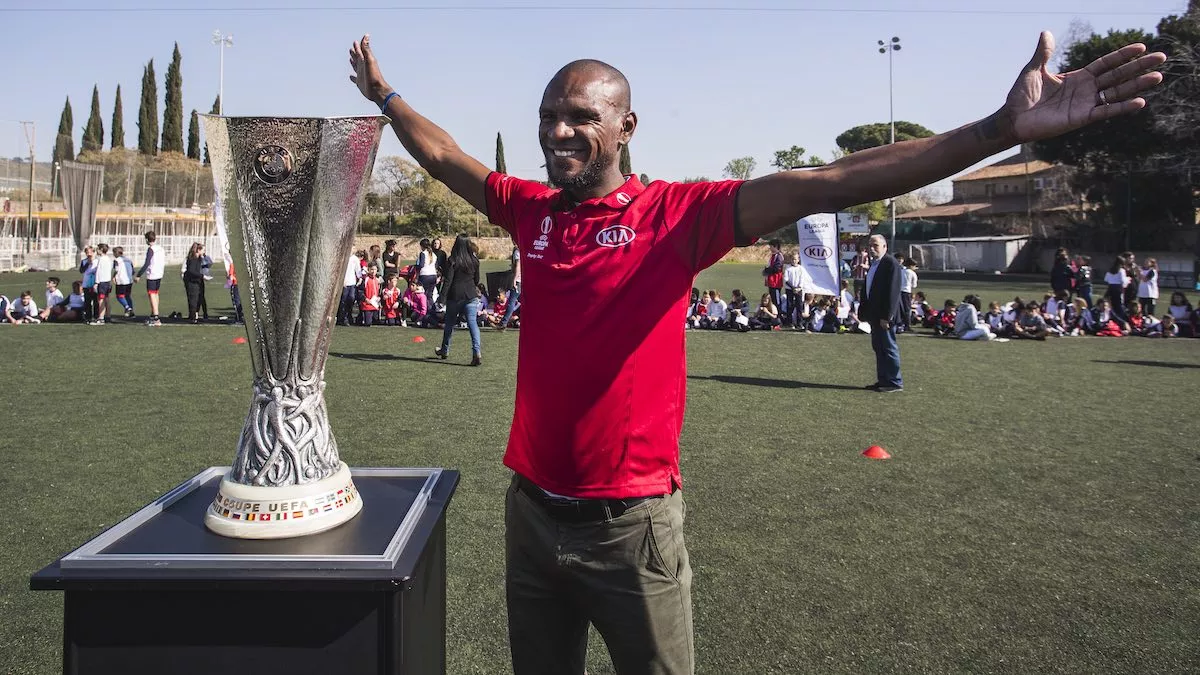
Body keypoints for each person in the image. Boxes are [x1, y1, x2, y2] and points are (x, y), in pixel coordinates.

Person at [349, 29, 1164, 673]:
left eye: (579, 117)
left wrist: (999, 128)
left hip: (630, 527)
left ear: (625, 128)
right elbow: (444, 155)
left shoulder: (679, 216)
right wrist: (385, 94)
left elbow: (832, 180)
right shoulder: (532, 211)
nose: (557, 131)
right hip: (530, 514)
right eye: (548, 115)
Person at [860, 235, 904, 391]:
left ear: (885, 247)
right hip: (874, 314)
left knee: (889, 347)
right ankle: (883, 379)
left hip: (884, 316)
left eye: (876, 245)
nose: (872, 248)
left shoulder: (890, 264)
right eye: (870, 245)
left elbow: (893, 292)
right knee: (879, 347)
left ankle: (894, 381)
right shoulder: (874, 265)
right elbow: (868, 289)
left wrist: (887, 316)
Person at [434, 234, 482, 365]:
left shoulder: (452, 260)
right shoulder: (474, 260)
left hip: (455, 296)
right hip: (470, 295)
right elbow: (477, 280)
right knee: (473, 324)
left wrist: (442, 298)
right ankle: (476, 352)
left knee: (449, 324)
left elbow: (448, 281)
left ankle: (444, 349)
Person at [135, 231, 166, 326]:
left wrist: (138, 275)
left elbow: (147, 263)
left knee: (152, 294)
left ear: (147, 240)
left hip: (152, 274)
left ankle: (156, 317)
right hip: (159, 273)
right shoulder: (160, 248)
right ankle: (154, 314)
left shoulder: (151, 249)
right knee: (155, 293)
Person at [181, 242, 207, 324]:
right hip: (191, 281)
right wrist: (201, 276)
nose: (204, 252)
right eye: (203, 250)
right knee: (193, 299)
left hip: (197, 280)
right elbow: (191, 271)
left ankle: (195, 315)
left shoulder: (199, 258)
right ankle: (192, 317)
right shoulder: (192, 258)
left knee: (199, 298)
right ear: (198, 250)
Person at [499, 244, 521, 330]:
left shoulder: (517, 250)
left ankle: (503, 323)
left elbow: (518, 265)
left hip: (519, 280)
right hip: (526, 279)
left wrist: (514, 279)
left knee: (511, 302)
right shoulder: (525, 247)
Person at [112, 246, 136, 318]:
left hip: (121, 280)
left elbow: (116, 270)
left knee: (119, 296)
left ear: (116, 253)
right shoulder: (128, 260)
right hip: (129, 281)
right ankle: (131, 313)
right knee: (127, 296)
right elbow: (133, 271)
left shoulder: (117, 260)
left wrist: (113, 277)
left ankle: (128, 308)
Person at [762, 239, 784, 311]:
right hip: (771, 282)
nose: (770, 248)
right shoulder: (773, 256)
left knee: (776, 300)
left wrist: (767, 270)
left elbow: (777, 268)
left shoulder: (779, 256)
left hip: (776, 282)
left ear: (775, 246)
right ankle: (773, 314)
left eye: (771, 246)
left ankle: (779, 316)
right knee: (772, 299)